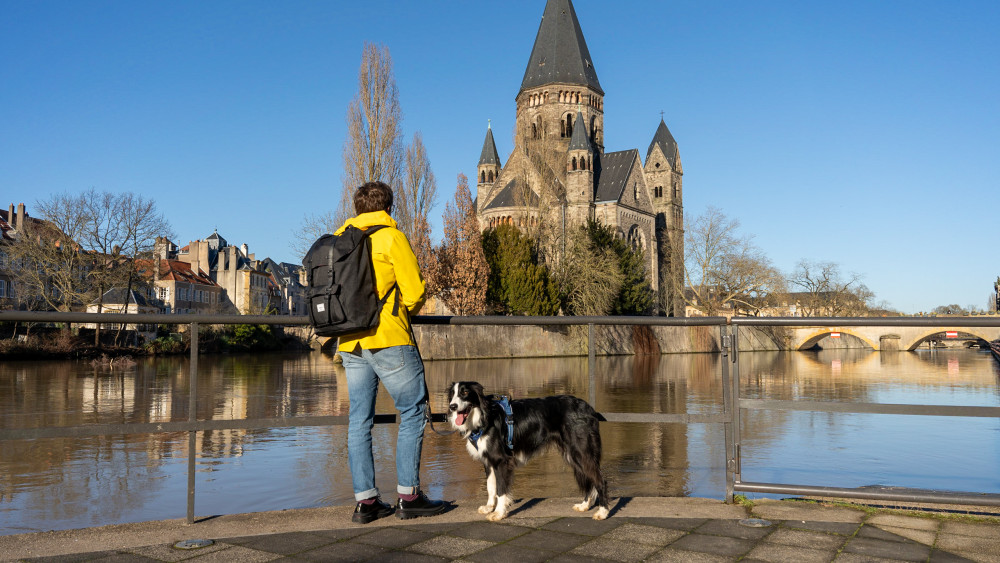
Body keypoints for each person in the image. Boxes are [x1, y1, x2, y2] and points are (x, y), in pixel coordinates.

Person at [335, 181, 447, 524]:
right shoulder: (391, 236)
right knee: (412, 412)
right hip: (387, 337)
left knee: (359, 420)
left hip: (350, 341)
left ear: (357, 208)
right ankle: (409, 496)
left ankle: (366, 503)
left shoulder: (339, 239)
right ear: (389, 207)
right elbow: (414, 292)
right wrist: (401, 308)